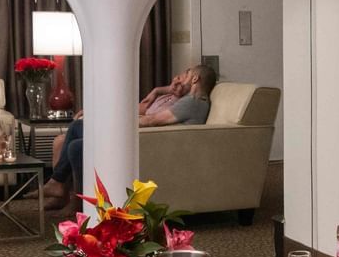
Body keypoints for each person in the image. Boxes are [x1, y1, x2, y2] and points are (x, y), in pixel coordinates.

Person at [41, 64, 219, 210]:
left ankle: (83, 202)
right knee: (78, 126)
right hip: (149, 140)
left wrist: (113, 125)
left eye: (187, 75)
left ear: (195, 79)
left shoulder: (192, 102)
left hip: (150, 146)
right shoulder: (192, 101)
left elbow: (153, 121)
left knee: (77, 146)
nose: (182, 77)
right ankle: (59, 183)